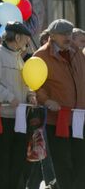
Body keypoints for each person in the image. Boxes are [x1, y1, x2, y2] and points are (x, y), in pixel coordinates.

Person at [0, 21, 36, 189]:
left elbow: (26, 83)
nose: (27, 43)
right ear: (17, 37)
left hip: (19, 118)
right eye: (26, 38)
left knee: (17, 162)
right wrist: (9, 97)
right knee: (2, 163)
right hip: (1, 118)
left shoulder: (19, 57)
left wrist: (31, 95)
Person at [34, 19, 85, 189]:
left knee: (81, 162)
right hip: (58, 120)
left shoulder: (77, 52)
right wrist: (46, 100)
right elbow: (34, 86)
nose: (68, 37)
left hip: (79, 118)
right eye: (63, 34)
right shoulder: (40, 56)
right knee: (63, 164)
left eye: (70, 33)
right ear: (52, 36)